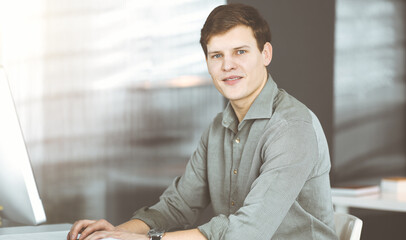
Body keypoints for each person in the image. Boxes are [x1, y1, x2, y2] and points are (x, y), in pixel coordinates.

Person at [68, 3, 338, 240]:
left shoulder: (291, 128)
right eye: (216, 55)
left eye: (240, 52)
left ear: (265, 54)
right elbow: (179, 205)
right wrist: (118, 232)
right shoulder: (218, 128)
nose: (227, 65)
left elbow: (246, 232)